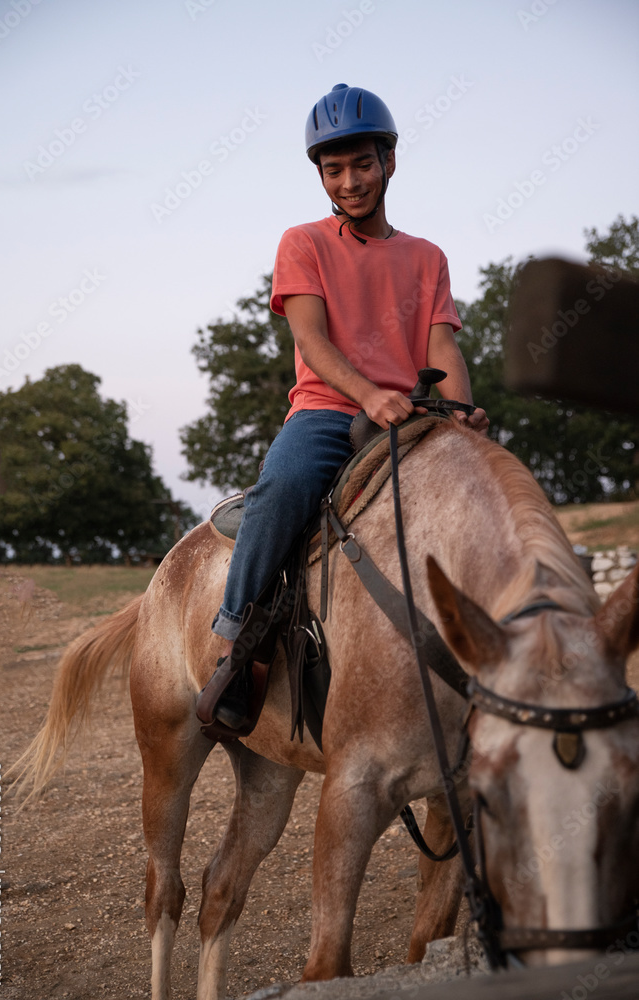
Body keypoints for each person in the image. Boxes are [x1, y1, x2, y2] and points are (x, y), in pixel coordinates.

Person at [201, 83, 489, 731]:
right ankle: (234, 643)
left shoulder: (426, 257)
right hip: (330, 411)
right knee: (283, 487)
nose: (350, 181)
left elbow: (440, 341)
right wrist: (367, 394)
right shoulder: (302, 243)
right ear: (320, 175)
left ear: (389, 161)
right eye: (334, 170)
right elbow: (311, 340)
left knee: (491, 491)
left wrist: (462, 411)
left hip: (413, 416)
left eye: (362, 164)